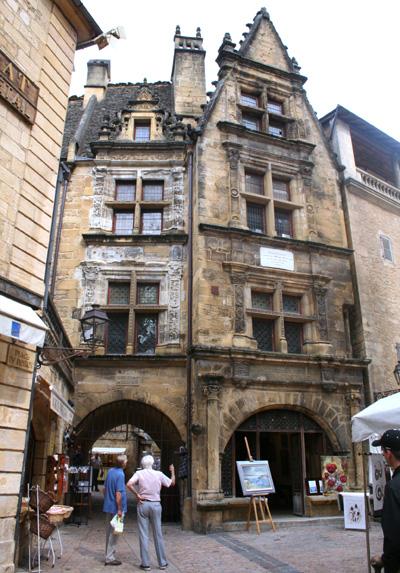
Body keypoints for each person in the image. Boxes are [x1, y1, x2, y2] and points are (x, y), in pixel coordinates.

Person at [127, 455, 175, 571]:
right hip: (156, 505)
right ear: (153, 463)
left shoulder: (139, 473)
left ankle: (145, 563)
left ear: (142, 464)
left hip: (143, 504)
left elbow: (129, 484)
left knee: (144, 534)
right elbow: (171, 483)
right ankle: (162, 563)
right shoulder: (158, 474)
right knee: (158, 534)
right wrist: (173, 471)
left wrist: (137, 494)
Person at [371, 429, 400, 573]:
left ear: (388, 453)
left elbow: (394, 534)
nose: (382, 454)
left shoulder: (394, 487)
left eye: (382, 450)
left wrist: (385, 559)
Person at [103, 454, 128, 566]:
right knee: (115, 533)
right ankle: (110, 557)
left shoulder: (110, 471)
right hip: (117, 509)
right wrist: (119, 508)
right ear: (122, 463)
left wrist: (108, 499)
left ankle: (108, 554)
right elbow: (119, 494)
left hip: (109, 506)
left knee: (109, 532)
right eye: (126, 461)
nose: (127, 462)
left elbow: (104, 489)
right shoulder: (121, 474)